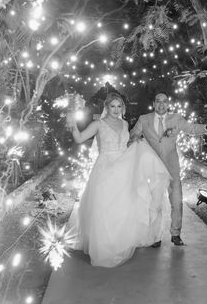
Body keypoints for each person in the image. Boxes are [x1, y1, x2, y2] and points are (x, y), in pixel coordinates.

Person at [66, 92, 171, 267]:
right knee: (104, 206)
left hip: (124, 168)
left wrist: (136, 142)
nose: (116, 110)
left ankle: (121, 241)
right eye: (112, 106)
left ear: (123, 107)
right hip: (105, 168)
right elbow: (79, 139)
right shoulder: (98, 124)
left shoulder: (125, 124)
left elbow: (125, 144)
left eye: (119, 106)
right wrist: (72, 125)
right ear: (107, 107)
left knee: (124, 206)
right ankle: (104, 247)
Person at [129, 92, 207, 246]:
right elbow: (133, 134)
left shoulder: (176, 119)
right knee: (154, 204)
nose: (161, 104)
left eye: (164, 102)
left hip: (172, 167)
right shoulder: (144, 119)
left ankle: (176, 233)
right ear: (154, 103)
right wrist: (135, 138)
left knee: (176, 201)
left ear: (168, 104)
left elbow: (191, 128)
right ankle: (155, 237)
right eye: (158, 101)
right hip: (153, 170)